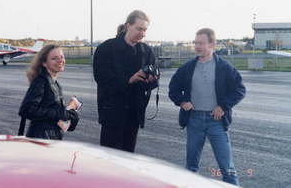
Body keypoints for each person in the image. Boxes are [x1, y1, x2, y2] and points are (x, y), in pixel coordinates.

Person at [168, 28, 246, 185]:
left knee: (228, 168)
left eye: (201, 43)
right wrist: (183, 101)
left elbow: (240, 89)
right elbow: (173, 88)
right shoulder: (187, 68)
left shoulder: (224, 68)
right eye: (195, 43)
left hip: (216, 121)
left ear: (212, 45)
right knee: (191, 168)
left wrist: (223, 106)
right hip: (194, 121)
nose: (197, 46)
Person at [93, 10, 158, 152]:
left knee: (128, 158)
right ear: (128, 25)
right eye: (139, 29)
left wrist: (151, 80)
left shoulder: (146, 51)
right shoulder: (106, 48)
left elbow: (153, 80)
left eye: (145, 30)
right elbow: (101, 79)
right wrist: (129, 80)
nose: (142, 33)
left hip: (134, 113)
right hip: (112, 113)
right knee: (109, 159)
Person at [19, 44, 81, 140]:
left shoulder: (55, 83)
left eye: (61, 57)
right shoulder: (41, 82)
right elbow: (26, 110)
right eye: (54, 58)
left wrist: (70, 115)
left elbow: (52, 114)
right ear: (44, 63)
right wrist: (61, 113)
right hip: (41, 139)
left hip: (52, 138)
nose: (60, 60)